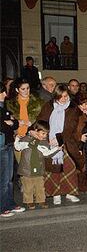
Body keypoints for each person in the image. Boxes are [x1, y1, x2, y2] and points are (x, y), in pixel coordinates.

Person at [37, 84, 81, 205]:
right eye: (60, 96)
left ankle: (70, 192)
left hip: (66, 142)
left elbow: (72, 126)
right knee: (54, 169)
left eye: (66, 96)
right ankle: (56, 193)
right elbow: (41, 121)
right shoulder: (48, 106)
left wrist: (59, 139)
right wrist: (43, 136)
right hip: (50, 142)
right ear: (55, 96)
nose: (63, 99)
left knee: (69, 168)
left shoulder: (73, 107)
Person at [14, 120, 61, 210]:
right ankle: (29, 201)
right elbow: (18, 147)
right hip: (26, 169)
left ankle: (41, 199)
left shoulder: (44, 143)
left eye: (46, 134)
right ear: (36, 130)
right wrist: (17, 139)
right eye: (43, 133)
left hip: (39, 169)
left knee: (40, 186)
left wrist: (57, 149)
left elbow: (47, 153)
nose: (45, 136)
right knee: (28, 187)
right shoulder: (26, 140)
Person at [0, 82, 26, 217]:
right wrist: (10, 122)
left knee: (9, 177)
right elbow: (4, 126)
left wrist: (12, 122)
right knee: (3, 178)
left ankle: (9, 203)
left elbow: (14, 123)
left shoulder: (4, 108)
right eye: (2, 92)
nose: (5, 94)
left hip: (8, 143)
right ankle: (2, 206)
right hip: (2, 145)